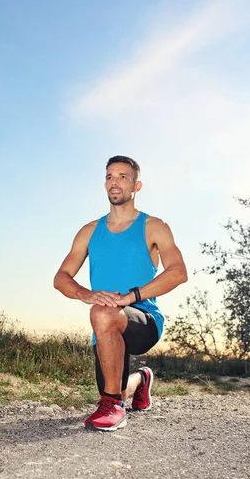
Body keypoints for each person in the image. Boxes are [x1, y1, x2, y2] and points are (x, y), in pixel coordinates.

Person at [53, 155, 187, 431]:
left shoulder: (154, 227)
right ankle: (141, 380)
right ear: (105, 185)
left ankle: (114, 408)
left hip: (144, 319)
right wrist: (85, 293)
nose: (115, 182)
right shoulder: (89, 231)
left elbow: (178, 272)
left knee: (103, 314)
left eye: (123, 177)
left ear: (136, 186)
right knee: (117, 386)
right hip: (105, 326)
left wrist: (131, 297)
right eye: (110, 177)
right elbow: (61, 278)